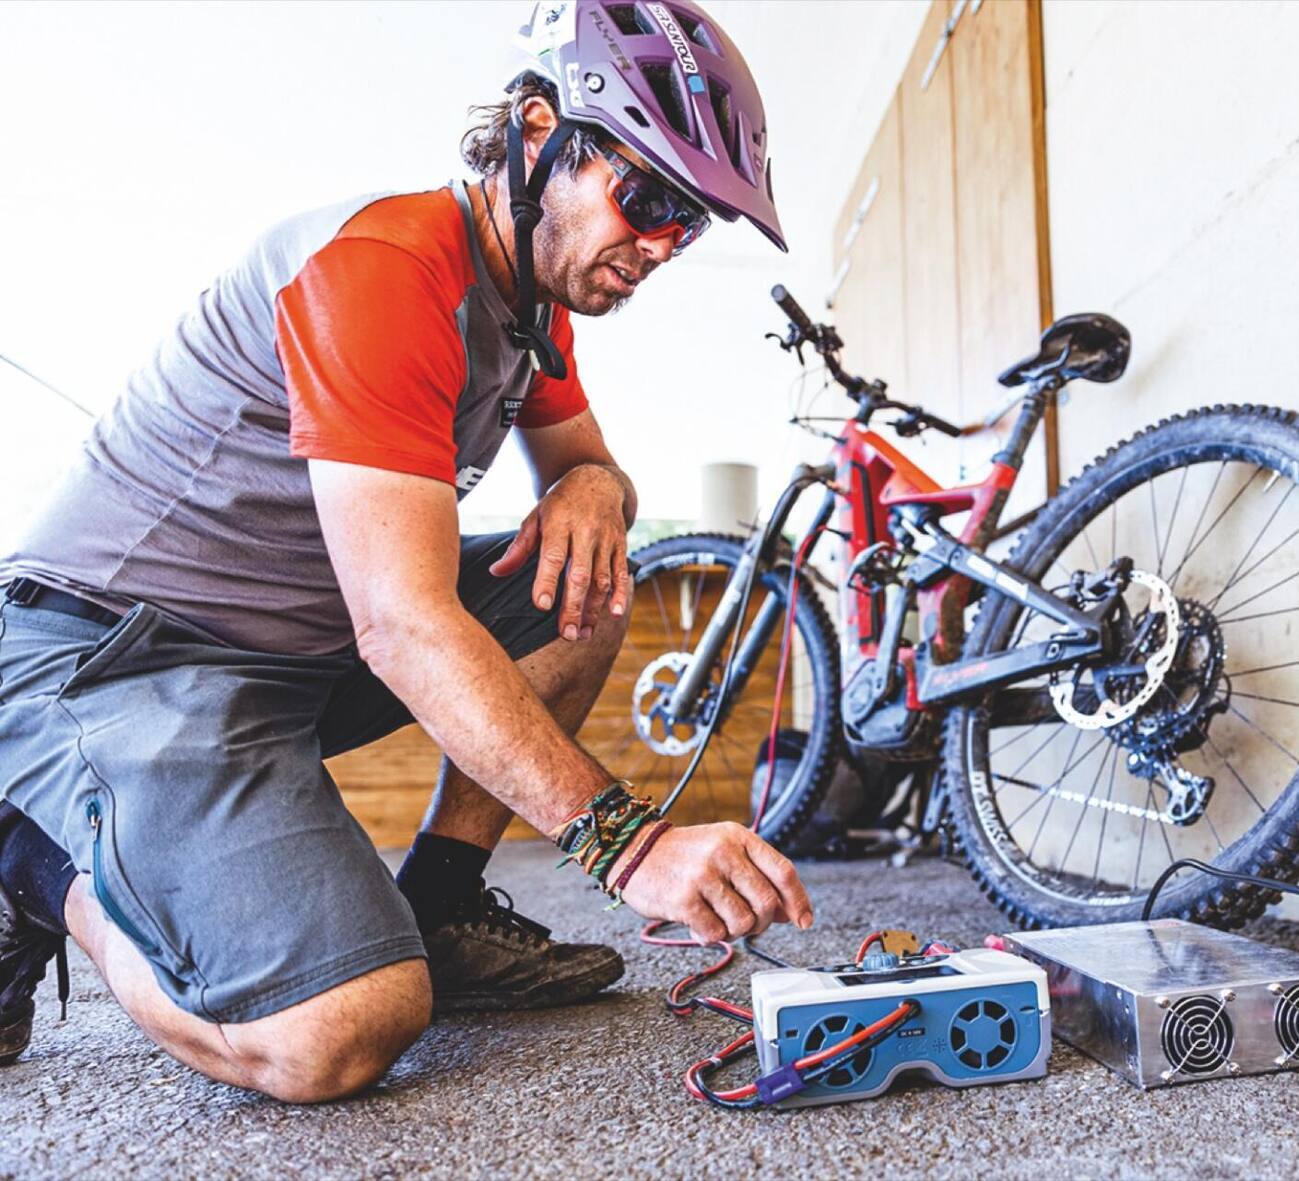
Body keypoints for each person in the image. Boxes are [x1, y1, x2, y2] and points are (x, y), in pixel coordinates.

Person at [0, 0, 807, 1103]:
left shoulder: (534, 309)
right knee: (341, 1028)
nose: (663, 243)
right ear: (537, 135)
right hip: (112, 658)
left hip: (291, 656)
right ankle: (31, 863)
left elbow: (592, 466)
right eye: (649, 197)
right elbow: (405, 622)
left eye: (691, 221)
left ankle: (443, 900)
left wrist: (595, 488)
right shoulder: (382, 269)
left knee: (587, 583)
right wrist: (630, 843)